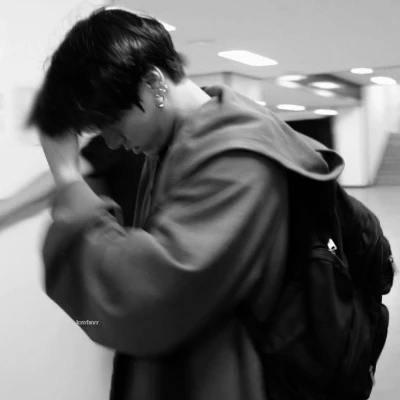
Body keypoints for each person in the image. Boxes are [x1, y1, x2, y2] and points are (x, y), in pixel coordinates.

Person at [27, 7, 345, 400]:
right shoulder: (179, 142)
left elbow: (145, 302)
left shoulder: (236, 159)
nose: (111, 141)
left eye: (112, 122)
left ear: (153, 84)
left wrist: (67, 177)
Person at [0, 135, 145, 230]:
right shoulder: (118, 139)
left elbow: (65, 174)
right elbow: (63, 176)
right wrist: (7, 207)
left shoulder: (126, 138)